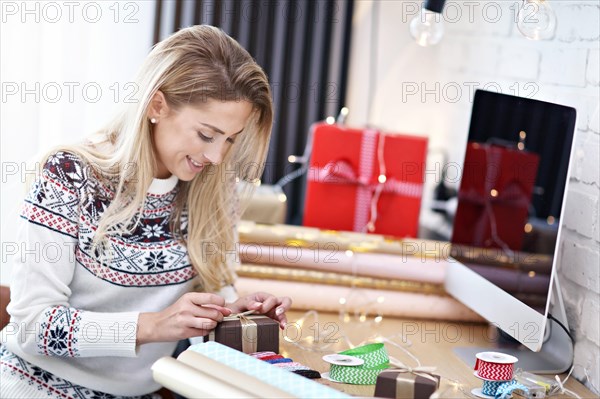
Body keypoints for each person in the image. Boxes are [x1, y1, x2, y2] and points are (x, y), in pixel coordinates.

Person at [0, 25, 291, 398]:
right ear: (157, 105)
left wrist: (234, 314)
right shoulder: (68, 175)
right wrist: (151, 326)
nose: (218, 156)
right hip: (33, 385)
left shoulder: (215, 193)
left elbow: (208, 310)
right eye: (206, 135)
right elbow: (33, 325)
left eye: (230, 139)